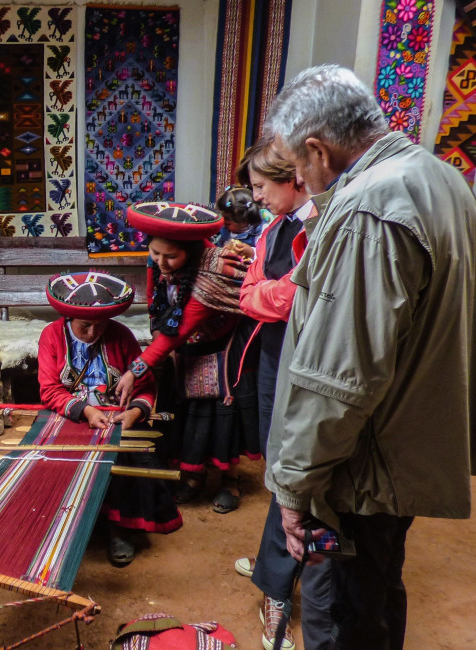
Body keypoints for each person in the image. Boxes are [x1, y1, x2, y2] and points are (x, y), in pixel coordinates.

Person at [265, 64, 476, 649]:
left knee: (349, 613)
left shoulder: (369, 208)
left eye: (297, 166)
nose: (299, 181)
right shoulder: (440, 176)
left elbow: (339, 378)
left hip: (363, 463)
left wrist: (295, 488)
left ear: (318, 149)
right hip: (409, 444)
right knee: (379, 590)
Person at [231, 137, 326, 650]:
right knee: (278, 464)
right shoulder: (273, 228)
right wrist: (268, 295)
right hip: (273, 356)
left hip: (305, 358)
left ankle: (276, 588)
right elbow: (251, 294)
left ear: (293, 179)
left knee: (295, 467)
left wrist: (265, 296)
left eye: (261, 186)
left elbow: (295, 297)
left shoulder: (319, 227)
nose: (256, 197)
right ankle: (277, 562)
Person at [116, 202, 260, 514]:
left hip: (222, 351)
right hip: (184, 348)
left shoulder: (212, 274)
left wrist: (135, 370)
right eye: (155, 253)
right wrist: (159, 338)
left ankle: (229, 480)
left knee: (221, 415)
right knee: (187, 413)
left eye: (170, 256)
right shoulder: (157, 262)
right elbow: (156, 307)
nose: (161, 262)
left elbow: (178, 331)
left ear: (191, 252)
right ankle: (194, 475)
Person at [38, 270, 182, 566]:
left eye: (101, 324)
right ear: (69, 317)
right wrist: (86, 411)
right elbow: (49, 389)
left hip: (117, 418)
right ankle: (65, 524)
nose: (93, 332)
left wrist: (134, 412)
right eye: (85, 326)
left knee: (126, 458)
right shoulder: (51, 336)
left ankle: (119, 527)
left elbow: (145, 387)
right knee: (53, 456)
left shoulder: (122, 336)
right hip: (71, 415)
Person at [215, 185, 264, 260]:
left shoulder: (259, 232)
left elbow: (266, 256)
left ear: (244, 222)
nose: (223, 225)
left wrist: (252, 252)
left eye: (228, 224)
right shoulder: (223, 231)